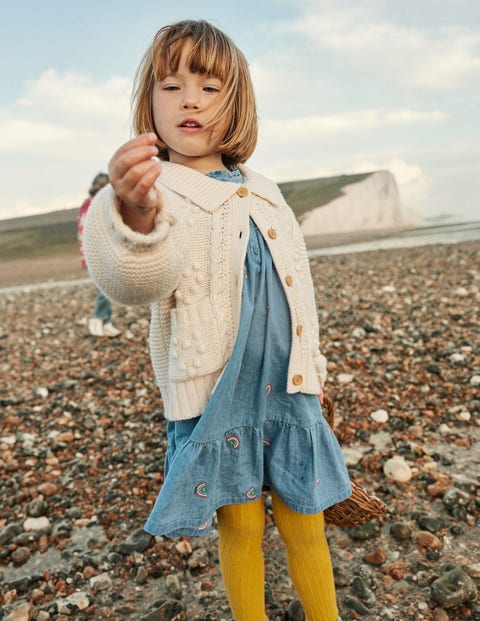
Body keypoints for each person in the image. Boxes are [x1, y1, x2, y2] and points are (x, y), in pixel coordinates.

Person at [83, 20, 350, 621]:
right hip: (215, 393)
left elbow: (299, 288)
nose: (190, 101)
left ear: (239, 103)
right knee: (242, 524)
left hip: (288, 388)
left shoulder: (267, 191)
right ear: (147, 102)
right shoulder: (162, 195)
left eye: (209, 87)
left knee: (306, 522)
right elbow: (133, 282)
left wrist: (315, 366)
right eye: (171, 86)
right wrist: (131, 210)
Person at [77, 173, 121, 337]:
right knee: (104, 289)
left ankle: (106, 322)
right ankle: (96, 318)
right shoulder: (91, 204)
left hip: (101, 251)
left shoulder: (96, 203)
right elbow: (89, 231)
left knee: (107, 288)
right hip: (95, 253)